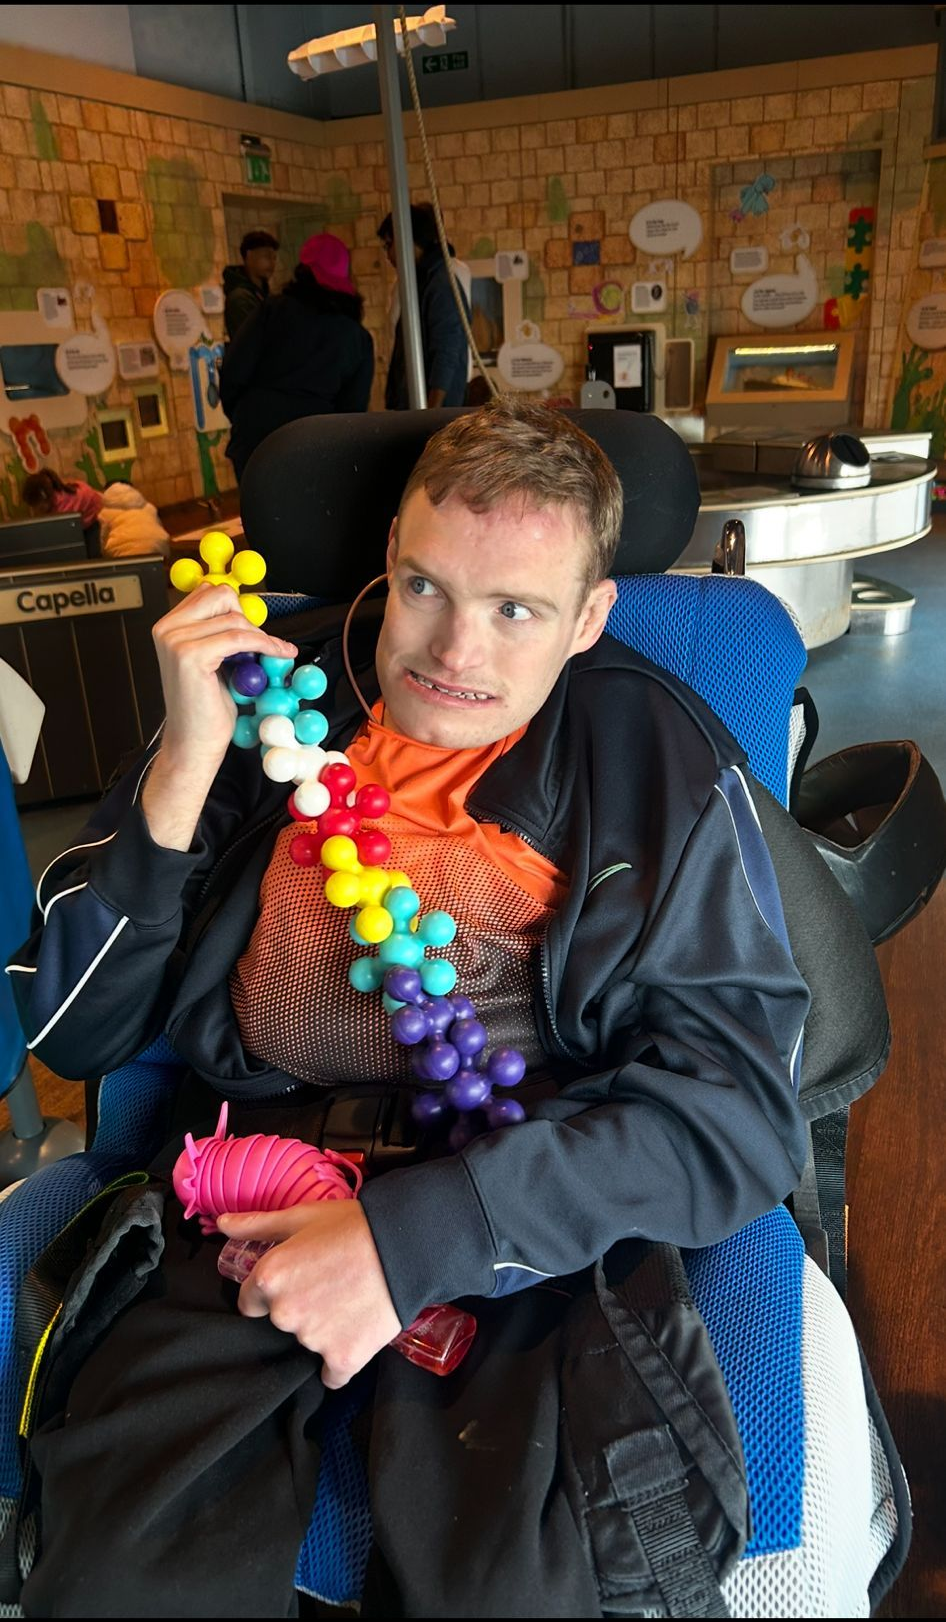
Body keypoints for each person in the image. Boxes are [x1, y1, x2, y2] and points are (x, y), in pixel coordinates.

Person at [9, 401, 810, 1617]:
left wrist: (412, 1242)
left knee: (516, 1583)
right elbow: (73, 1031)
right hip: (250, 1184)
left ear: (589, 616)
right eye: (425, 586)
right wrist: (182, 761)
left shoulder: (662, 765)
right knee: (118, 1570)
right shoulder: (256, 708)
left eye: (517, 609)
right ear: (389, 549)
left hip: (521, 1191)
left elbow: (740, 1111)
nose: (453, 650)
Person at [219, 232, 375, 484]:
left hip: (256, 441)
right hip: (315, 445)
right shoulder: (356, 337)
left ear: (303, 271)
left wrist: (244, 415)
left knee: (261, 522)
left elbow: (233, 372)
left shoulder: (271, 310)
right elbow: (352, 413)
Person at [379, 202, 470, 409]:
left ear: (408, 242)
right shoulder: (421, 281)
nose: (388, 255)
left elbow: (447, 351)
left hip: (432, 410)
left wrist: (431, 411)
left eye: (389, 245)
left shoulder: (440, 284)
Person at [21, 467, 103, 555]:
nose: (36, 510)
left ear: (46, 497)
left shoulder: (64, 509)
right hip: (90, 513)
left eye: (38, 507)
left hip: (94, 519)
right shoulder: (60, 493)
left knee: (91, 556)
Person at [223, 229, 279, 341]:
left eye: (274, 258)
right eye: (266, 257)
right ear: (249, 256)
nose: (272, 263)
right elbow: (253, 340)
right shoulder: (240, 298)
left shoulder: (264, 294)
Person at [97, 479, 170, 560]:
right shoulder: (149, 507)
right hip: (158, 547)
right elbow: (158, 526)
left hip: (124, 554)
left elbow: (103, 540)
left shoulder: (104, 514)